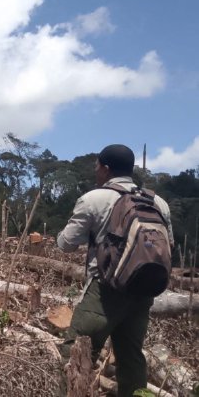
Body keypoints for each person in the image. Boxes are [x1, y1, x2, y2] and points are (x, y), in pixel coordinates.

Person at [57, 144, 173, 397]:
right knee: (131, 358)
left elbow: (66, 244)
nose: (96, 171)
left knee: (77, 353)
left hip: (104, 292)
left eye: (97, 166)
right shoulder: (158, 202)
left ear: (105, 168)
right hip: (143, 291)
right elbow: (168, 245)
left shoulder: (94, 198)